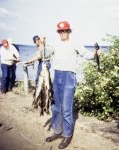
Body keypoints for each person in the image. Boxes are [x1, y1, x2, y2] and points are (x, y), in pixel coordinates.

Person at [45, 21, 101, 149]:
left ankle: (67, 135)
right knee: (55, 107)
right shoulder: (55, 44)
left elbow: (86, 54)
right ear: (58, 32)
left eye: (65, 31)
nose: (62, 33)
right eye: (60, 31)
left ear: (69, 31)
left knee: (66, 107)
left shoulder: (75, 43)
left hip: (69, 76)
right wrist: (42, 45)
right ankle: (57, 132)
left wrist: (95, 54)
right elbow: (45, 54)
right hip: (57, 75)